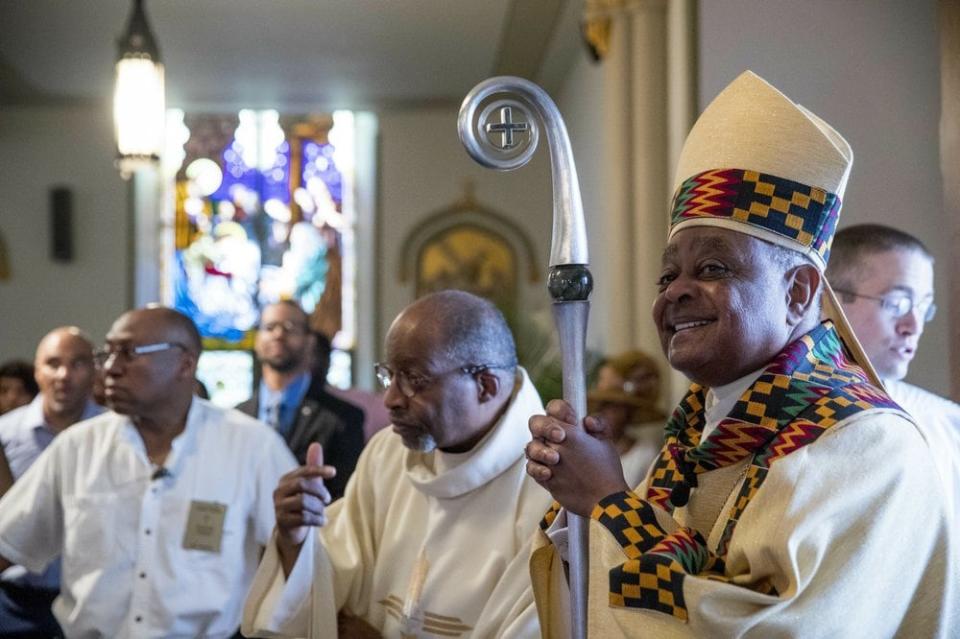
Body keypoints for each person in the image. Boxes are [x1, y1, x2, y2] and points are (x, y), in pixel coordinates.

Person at [524, 71, 956, 636]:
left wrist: (609, 502)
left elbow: (770, 628)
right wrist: (576, 505)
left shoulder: (867, 446)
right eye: (667, 274)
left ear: (798, 290)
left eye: (713, 268)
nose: (676, 291)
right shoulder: (695, 434)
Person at [243, 290, 551, 638]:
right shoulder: (387, 454)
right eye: (389, 376)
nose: (390, 399)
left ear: (485, 386)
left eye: (414, 380)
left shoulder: (548, 487)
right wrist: (295, 540)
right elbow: (332, 587)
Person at [0, 307, 296, 637]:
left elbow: (302, 565)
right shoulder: (78, 447)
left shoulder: (252, 447)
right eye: (107, 353)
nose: (110, 369)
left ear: (185, 363)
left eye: (128, 353)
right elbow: (8, 540)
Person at [826, 223, 960, 510]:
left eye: (923, 307)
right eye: (898, 303)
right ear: (830, 302)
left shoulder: (949, 423)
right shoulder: (793, 417)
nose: (914, 326)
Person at [0, 327, 102, 638]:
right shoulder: (4, 434)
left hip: (93, 600)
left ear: (96, 370)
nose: (64, 375)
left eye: (78, 363)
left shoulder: (118, 435)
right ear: (37, 371)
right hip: (15, 600)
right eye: (53, 364)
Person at [237, 300, 364, 500]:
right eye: (269, 327)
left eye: (289, 328)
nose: (278, 334)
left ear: (310, 342)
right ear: (257, 340)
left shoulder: (343, 417)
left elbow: (347, 498)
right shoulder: (236, 416)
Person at [587, 350, 666, 487]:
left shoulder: (644, 454)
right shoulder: (587, 445)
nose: (604, 413)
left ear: (629, 412)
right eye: (603, 405)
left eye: (614, 407)